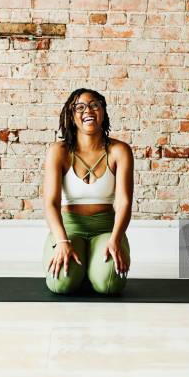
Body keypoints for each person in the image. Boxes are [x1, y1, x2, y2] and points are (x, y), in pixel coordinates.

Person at [42, 88, 134, 295]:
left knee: (109, 284)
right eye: (80, 107)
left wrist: (115, 239)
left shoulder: (119, 151)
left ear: (103, 111)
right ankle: (82, 269)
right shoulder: (59, 152)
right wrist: (62, 241)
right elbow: (51, 203)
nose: (88, 111)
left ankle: (91, 268)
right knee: (61, 284)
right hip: (70, 227)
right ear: (71, 115)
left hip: (106, 228)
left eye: (94, 105)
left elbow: (124, 203)